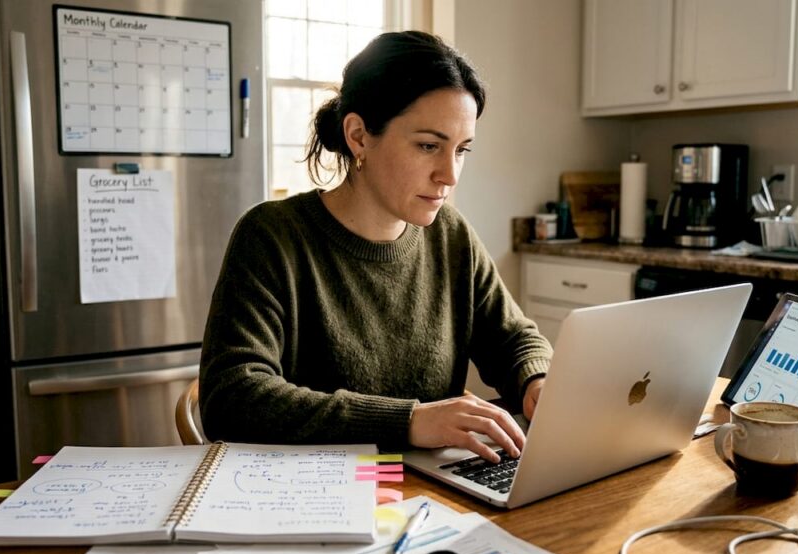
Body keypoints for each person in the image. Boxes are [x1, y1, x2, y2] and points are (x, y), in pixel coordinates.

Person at [200, 31, 551, 463]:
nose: (450, 174)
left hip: (425, 494)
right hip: (311, 499)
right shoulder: (272, 236)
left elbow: (514, 339)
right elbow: (232, 398)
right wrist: (408, 421)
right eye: (428, 146)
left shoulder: (451, 235)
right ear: (359, 136)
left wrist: (538, 380)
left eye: (461, 150)